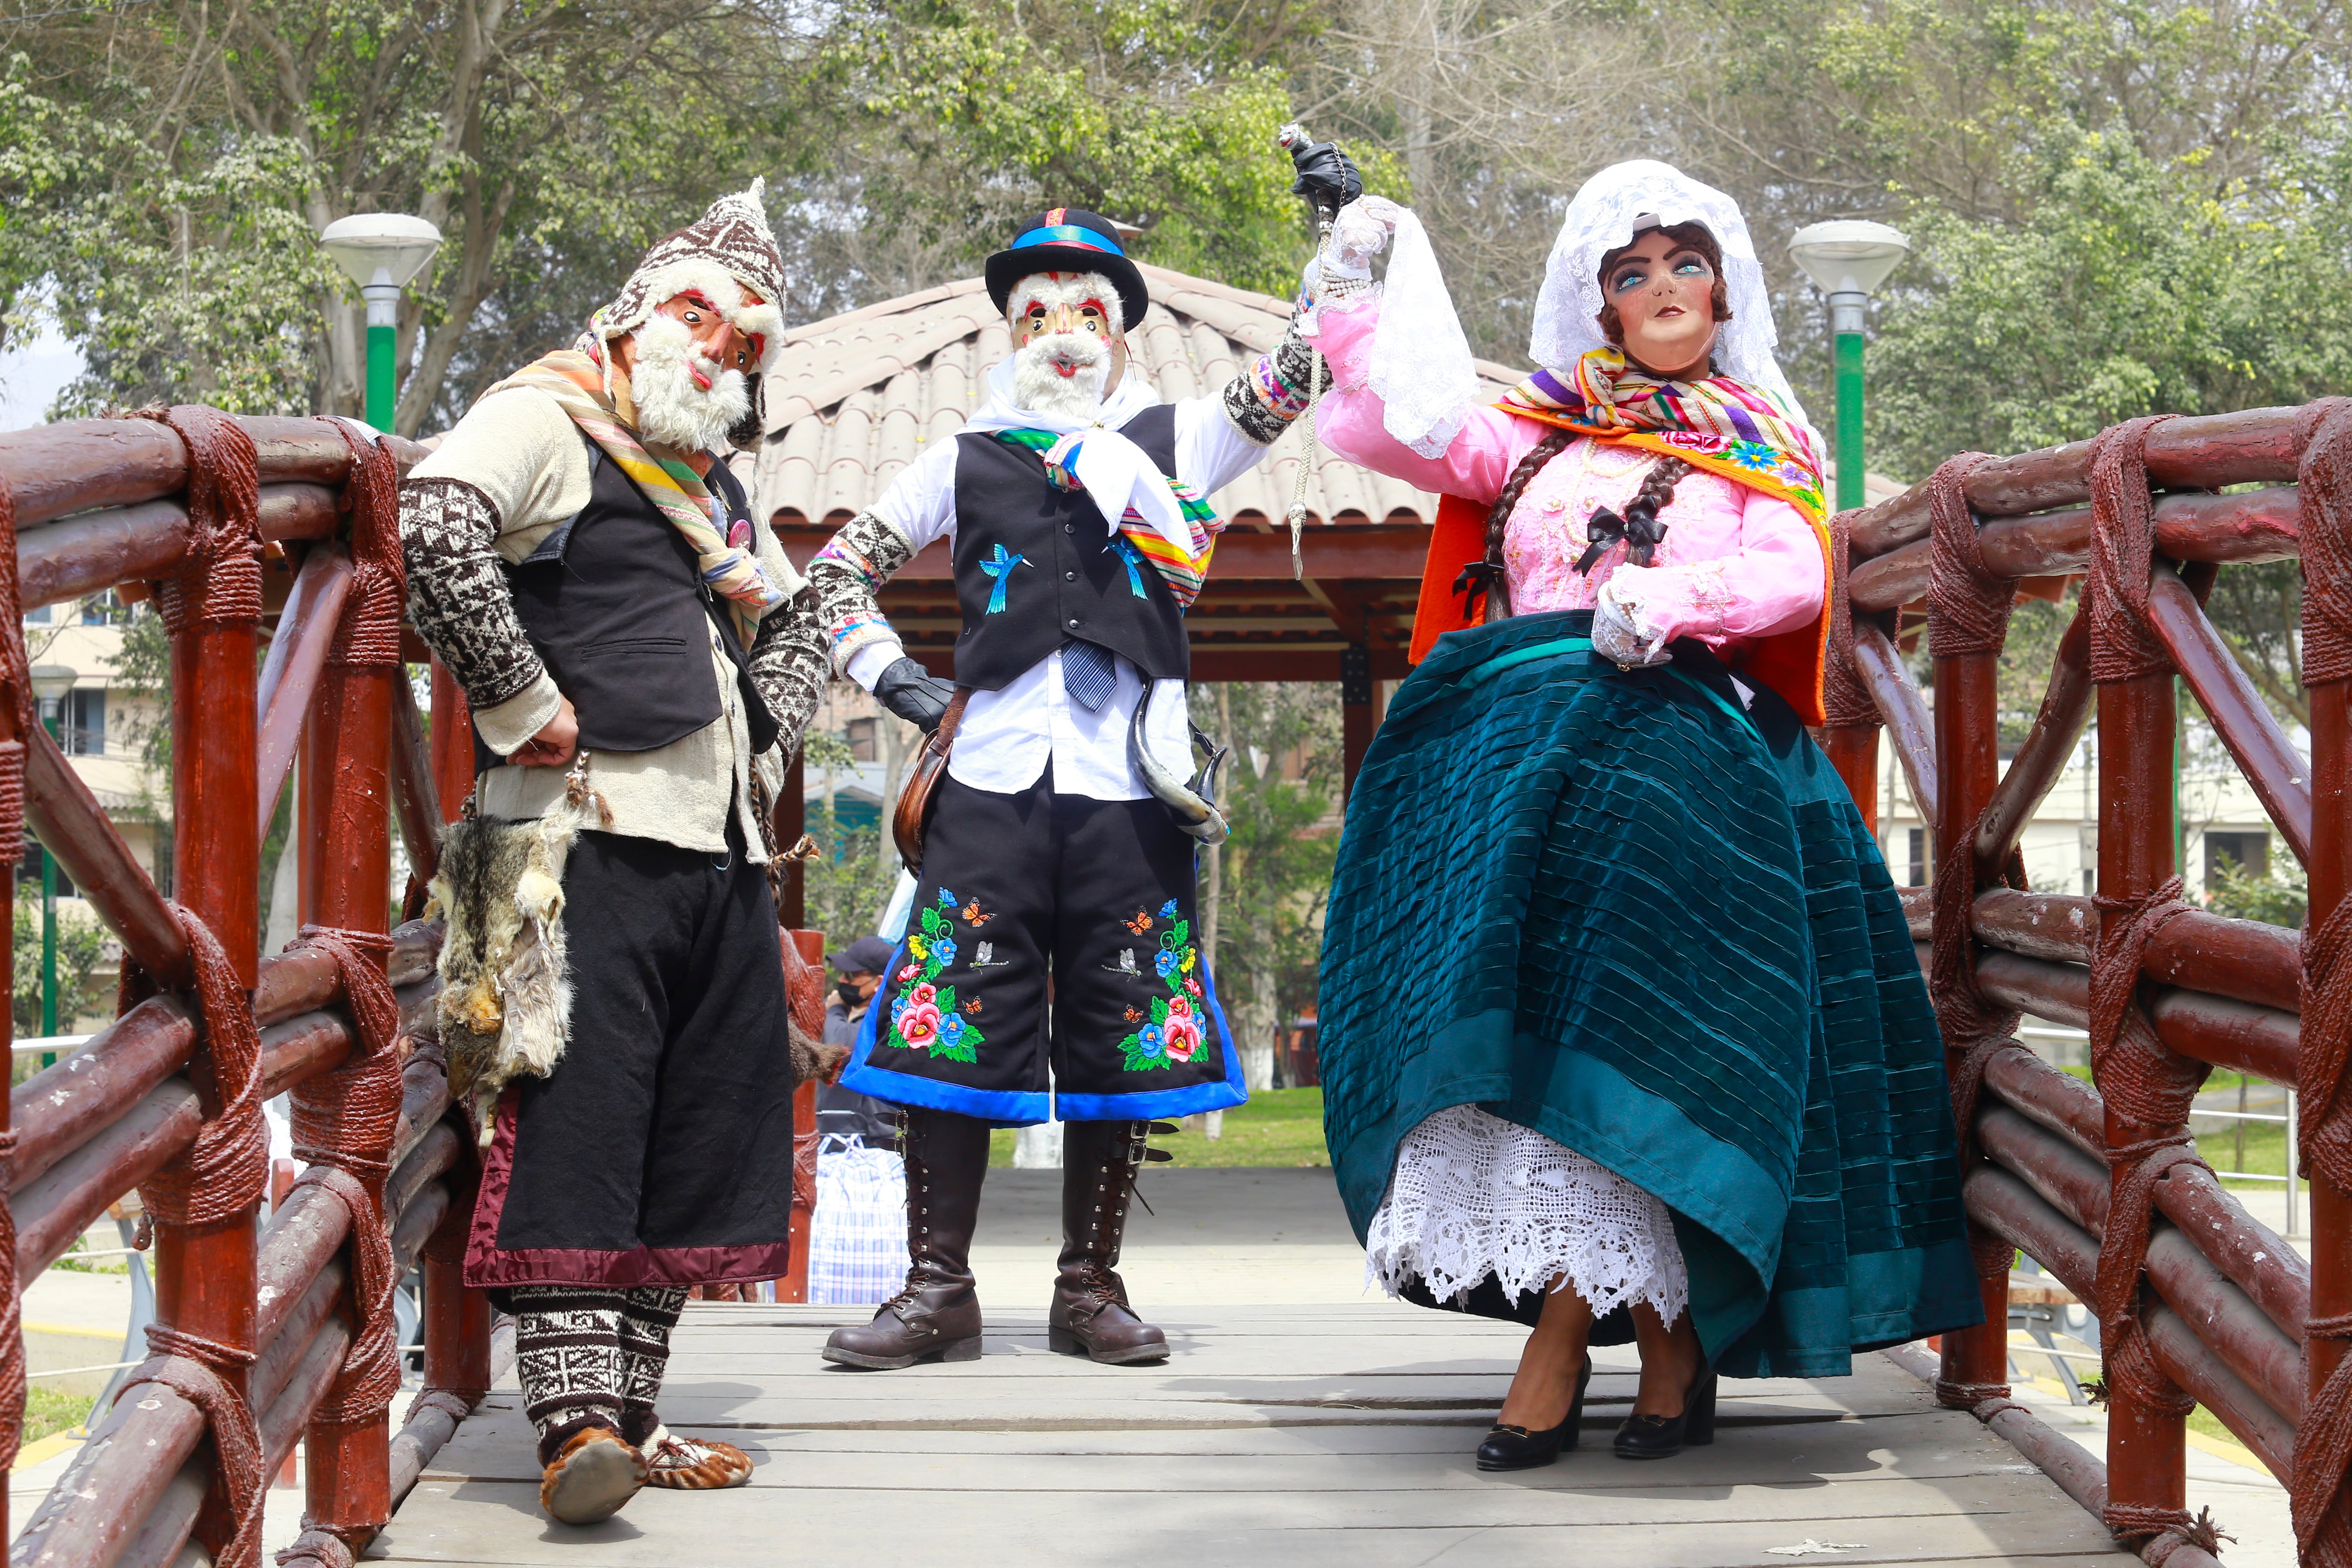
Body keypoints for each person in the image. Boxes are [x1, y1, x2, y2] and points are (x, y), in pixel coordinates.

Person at [1305, 159, 1982, 1471]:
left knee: (1622, 1020)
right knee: (1521, 1022)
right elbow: (1404, 420)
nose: (1663, 287)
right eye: (1632, 273)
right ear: (1600, 303)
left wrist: (1671, 604)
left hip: (1678, 756)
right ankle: (1666, 1348)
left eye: (1682, 265)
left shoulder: (1762, 432)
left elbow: (1792, 572)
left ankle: (1557, 1344)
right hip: (1512, 769)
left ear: (1721, 287)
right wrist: (1353, 275)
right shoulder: (1543, 429)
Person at [806, 196, 1341, 1369]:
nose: (1060, 323)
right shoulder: (961, 457)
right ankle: (936, 1290)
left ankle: (1087, 1291)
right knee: (944, 1032)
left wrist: (1340, 247)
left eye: (1085, 306)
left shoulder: (1171, 442)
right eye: (1035, 306)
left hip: (1128, 787)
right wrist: (893, 680)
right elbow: (834, 577)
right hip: (990, 782)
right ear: (1010, 330)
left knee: (1123, 1027)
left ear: (1120, 333)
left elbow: (1297, 378)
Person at [399, 182, 831, 1523]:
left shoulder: (712, 500)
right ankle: (570, 1419)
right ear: (640, 313)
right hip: (574, 846)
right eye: (701, 316)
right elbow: (430, 523)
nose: (720, 350)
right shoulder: (546, 414)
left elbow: (755, 716)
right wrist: (520, 702)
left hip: (715, 851)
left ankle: (629, 1422)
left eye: (747, 341)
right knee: (577, 1125)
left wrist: (828, 604)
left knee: (692, 1139)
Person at [820, 935, 903, 1147]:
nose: (842, 981)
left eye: (851, 975)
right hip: (830, 1135)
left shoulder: (889, 1018)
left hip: (869, 1143)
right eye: (842, 974)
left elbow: (839, 1044)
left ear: (878, 981)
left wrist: (835, 1009)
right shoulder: (839, 1013)